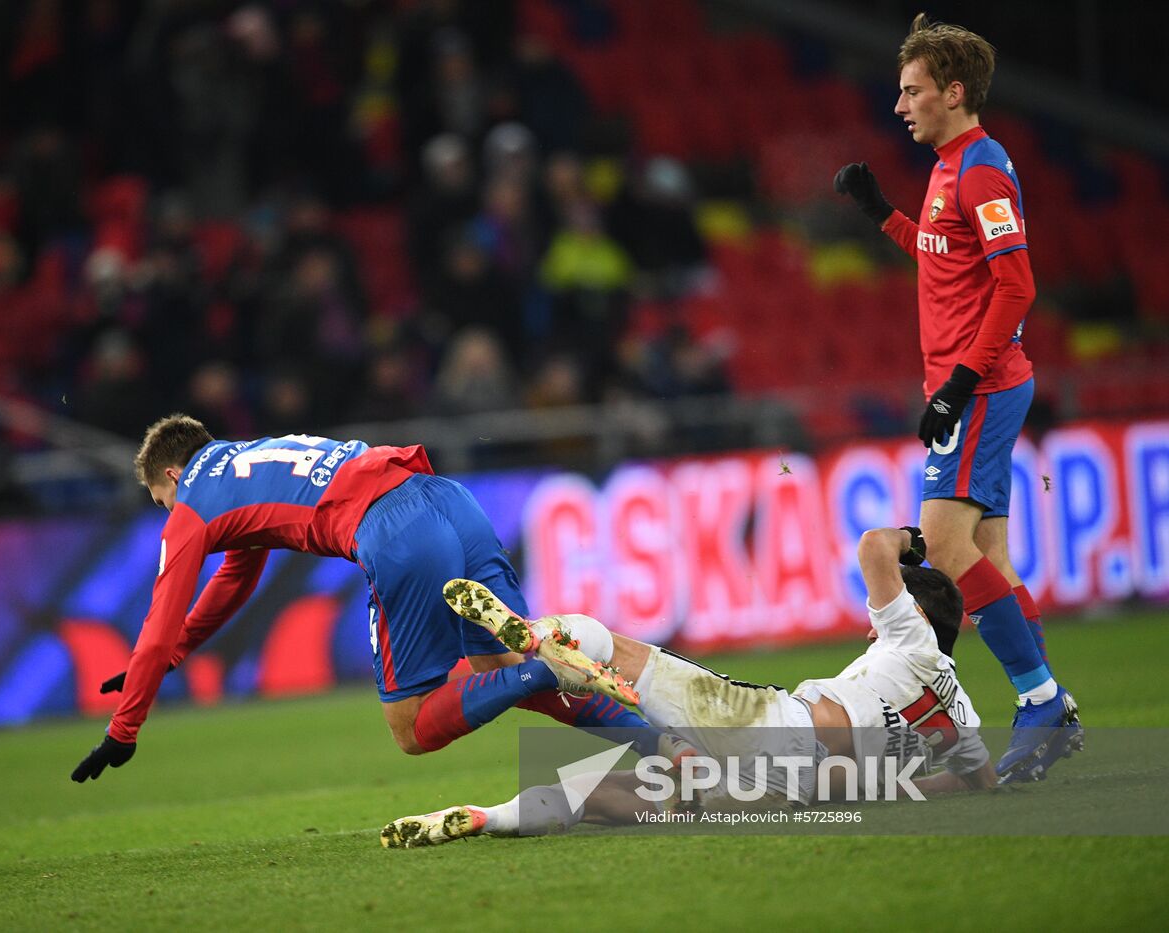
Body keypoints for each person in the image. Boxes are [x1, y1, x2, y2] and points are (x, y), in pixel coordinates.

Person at [71, 414, 657, 782]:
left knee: (412, 726)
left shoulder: (194, 505)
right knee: (499, 666)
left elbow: (154, 622)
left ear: (173, 476)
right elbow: (235, 578)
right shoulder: (248, 460)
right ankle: (670, 754)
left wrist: (124, 729)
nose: (167, 516)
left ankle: (543, 671)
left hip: (396, 531)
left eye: (160, 502)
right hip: (444, 497)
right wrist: (173, 656)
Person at [383, 527, 1000, 847]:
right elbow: (979, 783)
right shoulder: (963, 719)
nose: (873, 629)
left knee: (606, 643)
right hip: (791, 794)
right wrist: (906, 785)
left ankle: (534, 639)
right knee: (600, 795)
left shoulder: (911, 641)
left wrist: (909, 541)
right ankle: (485, 819)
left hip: (771, 728)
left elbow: (873, 548)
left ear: (918, 618)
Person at [832, 13, 1080, 782]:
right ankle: (1052, 713)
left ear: (954, 90)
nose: (900, 106)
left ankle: (1040, 697)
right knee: (990, 559)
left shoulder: (979, 168)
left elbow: (1017, 284)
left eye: (912, 91)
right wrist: (884, 215)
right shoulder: (948, 167)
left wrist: (961, 387)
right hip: (971, 386)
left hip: (981, 387)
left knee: (941, 547)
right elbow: (945, 259)